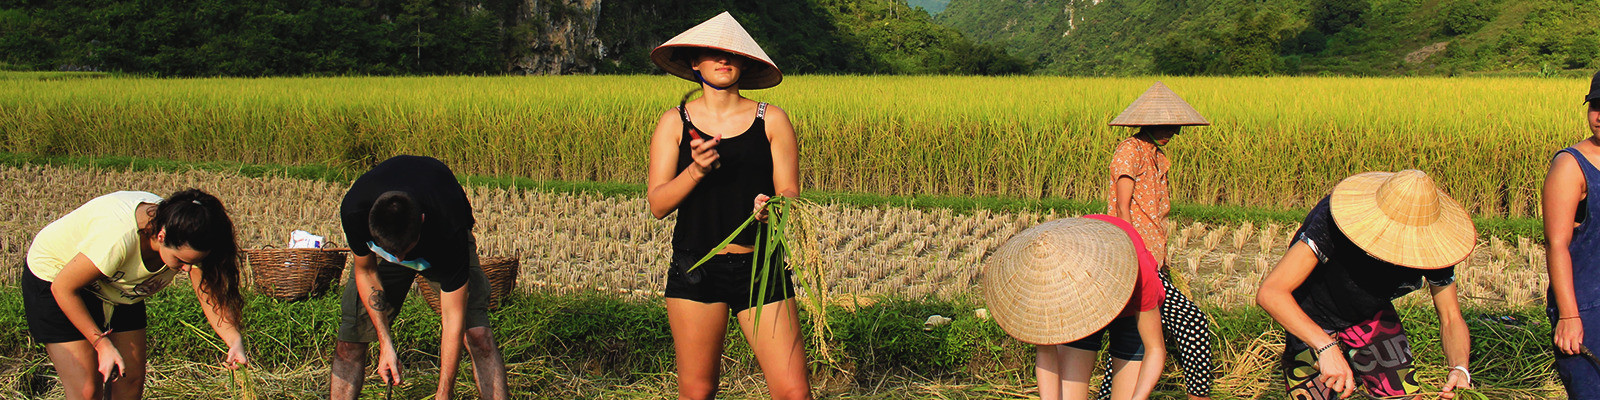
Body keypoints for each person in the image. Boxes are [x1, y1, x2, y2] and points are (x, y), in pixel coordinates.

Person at [644, 11, 809, 400]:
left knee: (794, 391)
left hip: (761, 266)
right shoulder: (674, 123)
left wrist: (775, 208)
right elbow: (657, 203)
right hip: (696, 268)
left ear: (745, 63)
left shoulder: (771, 120)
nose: (723, 60)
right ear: (693, 62)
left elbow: (790, 191)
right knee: (698, 390)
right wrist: (696, 170)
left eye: (732, 54)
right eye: (711, 53)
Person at [1256, 170, 1475, 399]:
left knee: (1405, 396)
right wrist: (1325, 346)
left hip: (1370, 315)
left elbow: (1450, 317)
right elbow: (1272, 293)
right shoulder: (1333, 219)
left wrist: (1459, 369)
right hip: (1311, 315)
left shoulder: (1434, 246)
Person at [22, 189, 248, 400]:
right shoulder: (118, 239)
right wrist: (101, 344)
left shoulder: (192, 233)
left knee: (130, 383)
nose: (187, 269)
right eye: (180, 261)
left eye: (193, 262)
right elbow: (63, 288)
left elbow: (208, 295)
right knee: (87, 389)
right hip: (60, 279)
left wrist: (233, 340)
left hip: (120, 287)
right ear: (161, 236)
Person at [329, 155, 508, 400]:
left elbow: (452, 316)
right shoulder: (355, 211)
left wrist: (443, 394)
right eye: (394, 254)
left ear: (421, 221)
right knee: (350, 342)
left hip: (439, 243)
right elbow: (366, 271)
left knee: (478, 336)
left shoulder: (448, 225)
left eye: (406, 251)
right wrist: (385, 344)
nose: (401, 260)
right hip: (389, 240)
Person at [1099, 81, 1216, 400]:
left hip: (1153, 260)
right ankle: (1199, 395)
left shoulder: (1157, 156)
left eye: (1174, 125)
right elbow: (1122, 207)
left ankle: (1109, 395)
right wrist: (1137, 257)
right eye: (1164, 125)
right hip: (1136, 259)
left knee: (1130, 338)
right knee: (1193, 321)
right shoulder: (1129, 150)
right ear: (1147, 123)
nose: (1171, 130)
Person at [982, 215, 1166, 400]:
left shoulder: (1139, 274)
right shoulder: (1049, 281)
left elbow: (1155, 350)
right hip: (1078, 311)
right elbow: (1045, 349)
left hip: (1130, 313)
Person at [1541, 69, 1600, 399]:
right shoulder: (1570, 166)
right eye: (1595, 106)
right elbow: (1556, 244)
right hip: (1587, 310)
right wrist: (1569, 315)